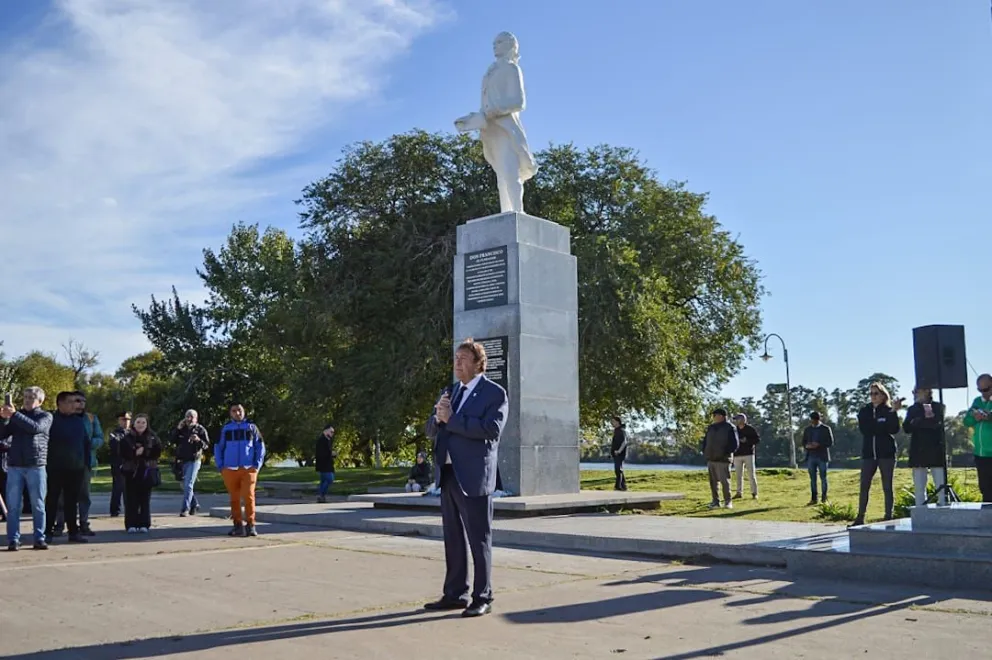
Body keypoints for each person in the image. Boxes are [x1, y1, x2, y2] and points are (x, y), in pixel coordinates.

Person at [424, 338, 508, 618]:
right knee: (453, 538)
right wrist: (437, 418)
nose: (457, 363)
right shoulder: (450, 391)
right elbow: (431, 428)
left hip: (474, 477)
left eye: (463, 358)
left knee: (479, 538)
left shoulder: (494, 393)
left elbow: (491, 429)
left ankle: (483, 596)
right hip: (448, 474)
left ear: (478, 363)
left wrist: (451, 420)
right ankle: (455, 593)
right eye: (455, 358)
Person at [1, 387, 52, 551]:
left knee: (38, 504)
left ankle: (39, 538)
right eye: (25, 396)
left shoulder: (45, 416)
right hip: (15, 465)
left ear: (40, 400)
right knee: (13, 505)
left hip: (35, 465)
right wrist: (3, 419)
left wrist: (15, 415)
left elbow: (35, 428)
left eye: (32, 397)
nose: (28, 400)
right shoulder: (16, 418)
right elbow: (2, 434)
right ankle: (13, 539)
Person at [852, 382, 902, 526]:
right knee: (864, 485)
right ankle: (860, 517)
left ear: (883, 395)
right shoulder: (864, 411)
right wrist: (880, 425)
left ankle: (888, 515)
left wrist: (893, 413)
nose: (873, 396)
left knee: (887, 485)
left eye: (876, 393)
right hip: (868, 454)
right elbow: (866, 429)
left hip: (886, 454)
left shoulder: (889, 410)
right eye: (871, 393)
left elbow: (893, 429)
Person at [45, 391, 90, 544]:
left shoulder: (78, 421)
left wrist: (86, 464)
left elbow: (85, 443)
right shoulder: (51, 419)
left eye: (76, 401)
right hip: (55, 467)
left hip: (76, 468)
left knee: (72, 501)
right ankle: (48, 531)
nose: (75, 405)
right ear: (60, 404)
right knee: (53, 500)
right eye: (71, 402)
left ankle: (73, 532)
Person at [215, 403, 265, 537]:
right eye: (234, 411)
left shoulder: (252, 427)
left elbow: (260, 446)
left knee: (249, 496)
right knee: (234, 498)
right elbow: (218, 447)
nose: (237, 413)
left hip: (248, 468)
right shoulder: (226, 429)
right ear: (230, 413)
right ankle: (237, 525)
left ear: (244, 412)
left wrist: (257, 465)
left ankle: (251, 524)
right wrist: (221, 466)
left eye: (239, 410)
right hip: (229, 469)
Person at [903, 386, 947, 506]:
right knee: (919, 488)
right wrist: (921, 419)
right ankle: (921, 510)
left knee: (941, 486)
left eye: (917, 391)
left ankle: (943, 507)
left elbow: (935, 423)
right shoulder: (912, 409)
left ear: (927, 391)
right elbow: (906, 428)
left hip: (936, 450)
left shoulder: (938, 406)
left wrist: (917, 421)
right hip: (918, 450)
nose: (914, 394)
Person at [120, 414, 161, 533]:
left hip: (146, 471)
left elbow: (157, 452)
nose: (140, 425)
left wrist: (145, 452)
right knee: (131, 499)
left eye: (143, 422)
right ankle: (131, 524)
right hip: (131, 472)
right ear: (134, 423)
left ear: (147, 424)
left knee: (145, 500)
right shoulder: (127, 438)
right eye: (138, 422)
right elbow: (122, 452)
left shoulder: (153, 437)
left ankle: (144, 524)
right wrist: (134, 453)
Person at [173, 409, 210, 516]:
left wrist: (198, 440)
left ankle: (185, 508)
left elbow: (207, 445)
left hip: (194, 460)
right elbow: (172, 439)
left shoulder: (200, 429)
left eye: (191, 417)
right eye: (187, 416)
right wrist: (177, 429)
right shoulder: (182, 429)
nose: (189, 419)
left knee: (188, 484)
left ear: (196, 418)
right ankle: (194, 504)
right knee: (184, 485)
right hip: (181, 460)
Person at [702, 409, 738, 510]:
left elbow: (734, 444)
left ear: (722, 416)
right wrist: (705, 451)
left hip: (723, 459)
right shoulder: (711, 428)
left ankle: (728, 501)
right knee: (713, 482)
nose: (714, 417)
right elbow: (705, 441)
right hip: (711, 458)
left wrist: (725, 452)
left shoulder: (730, 427)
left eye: (715, 415)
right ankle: (715, 502)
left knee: (725, 481)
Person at [964, 373, 992, 502]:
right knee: (985, 488)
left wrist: (988, 417)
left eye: (986, 389)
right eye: (980, 390)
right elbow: (966, 421)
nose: (983, 393)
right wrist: (974, 417)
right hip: (980, 453)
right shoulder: (977, 401)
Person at [802, 412, 834, 505]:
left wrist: (819, 445)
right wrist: (807, 445)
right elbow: (803, 442)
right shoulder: (807, 430)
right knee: (812, 479)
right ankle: (814, 498)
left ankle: (824, 498)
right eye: (812, 420)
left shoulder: (826, 429)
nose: (813, 421)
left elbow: (830, 442)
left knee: (823, 478)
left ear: (819, 419)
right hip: (811, 456)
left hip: (822, 457)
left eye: (815, 420)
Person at [107, 412, 131, 517]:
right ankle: (115, 510)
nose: (126, 422)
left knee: (130, 489)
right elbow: (115, 447)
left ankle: (130, 509)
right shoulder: (115, 433)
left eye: (128, 420)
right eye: (123, 420)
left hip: (131, 465)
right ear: (119, 421)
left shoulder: (133, 433)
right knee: (118, 488)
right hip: (119, 464)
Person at [731, 413, 760, 500]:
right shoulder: (735, 430)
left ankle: (754, 493)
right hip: (737, 455)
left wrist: (747, 441)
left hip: (748, 454)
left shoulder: (750, 429)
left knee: (751, 474)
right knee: (738, 475)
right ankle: (739, 492)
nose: (736, 421)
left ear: (743, 420)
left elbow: (757, 440)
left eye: (737, 419)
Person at [314, 425, 336, 503]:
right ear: (326, 431)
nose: (332, 433)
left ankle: (321, 496)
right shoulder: (321, 440)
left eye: (333, 432)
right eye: (331, 431)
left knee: (324, 481)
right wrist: (331, 453)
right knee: (330, 479)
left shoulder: (328, 440)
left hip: (328, 464)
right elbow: (321, 453)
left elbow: (328, 452)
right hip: (323, 464)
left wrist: (333, 454)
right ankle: (320, 495)